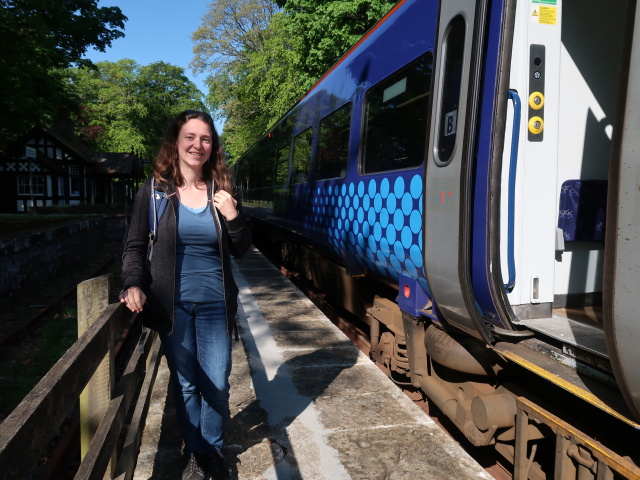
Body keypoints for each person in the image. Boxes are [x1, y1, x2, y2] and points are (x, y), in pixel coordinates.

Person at [120, 110, 251, 480]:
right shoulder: (156, 190)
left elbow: (242, 249)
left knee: (218, 381)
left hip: (214, 305)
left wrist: (232, 216)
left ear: (213, 146)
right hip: (172, 306)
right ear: (175, 143)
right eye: (190, 137)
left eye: (206, 139)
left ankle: (211, 450)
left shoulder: (222, 190)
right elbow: (133, 245)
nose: (198, 145)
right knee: (187, 383)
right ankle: (198, 453)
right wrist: (132, 282)